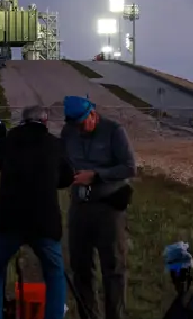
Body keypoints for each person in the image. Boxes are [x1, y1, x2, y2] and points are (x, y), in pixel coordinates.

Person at [0, 106, 74, 319]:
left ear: (23, 121)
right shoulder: (55, 144)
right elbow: (68, 177)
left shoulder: (10, 140)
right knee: (54, 274)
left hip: (8, 218)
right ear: (45, 121)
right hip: (44, 220)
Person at [61, 96, 136, 319]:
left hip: (109, 207)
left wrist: (96, 176)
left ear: (92, 114)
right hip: (80, 207)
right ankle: (88, 314)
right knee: (80, 267)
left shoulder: (114, 131)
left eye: (83, 125)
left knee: (113, 267)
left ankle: (115, 315)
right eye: (76, 126)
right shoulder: (68, 132)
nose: (80, 130)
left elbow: (129, 167)